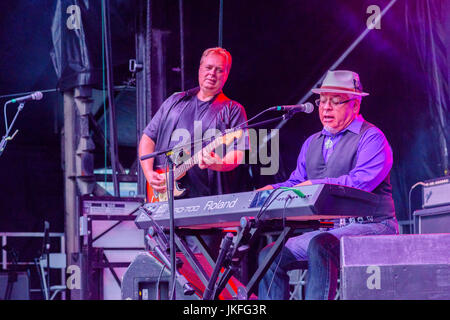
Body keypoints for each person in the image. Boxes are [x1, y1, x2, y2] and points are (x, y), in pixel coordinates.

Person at [257, 70, 398, 300]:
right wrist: (272, 192)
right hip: (331, 230)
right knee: (269, 256)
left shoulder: (372, 138)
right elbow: (296, 183)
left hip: (375, 225)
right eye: (322, 101)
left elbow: (358, 183)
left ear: (355, 105)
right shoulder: (312, 142)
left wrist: (316, 184)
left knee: (320, 245)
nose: (326, 108)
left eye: (335, 101)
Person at [138, 47, 249, 200]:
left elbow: (239, 152)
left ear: (226, 75)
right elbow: (148, 138)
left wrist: (220, 163)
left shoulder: (233, 110)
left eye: (219, 70)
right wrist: (149, 173)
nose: (212, 73)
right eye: (208, 68)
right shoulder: (175, 101)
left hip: (207, 200)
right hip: (164, 195)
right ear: (200, 69)